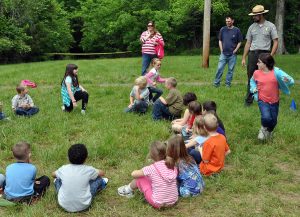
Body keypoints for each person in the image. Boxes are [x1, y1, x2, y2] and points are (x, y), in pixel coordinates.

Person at [117, 141, 178, 209]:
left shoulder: (151, 168)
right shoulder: (171, 165)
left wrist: (143, 169)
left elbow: (133, 174)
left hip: (159, 203)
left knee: (140, 178)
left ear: (151, 155)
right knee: (154, 178)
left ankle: (127, 190)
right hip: (173, 201)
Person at [250, 53, 294, 140]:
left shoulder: (276, 72)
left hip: (274, 101)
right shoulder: (256, 73)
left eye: (259, 62)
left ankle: (269, 131)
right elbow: (252, 81)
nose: (257, 64)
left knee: (273, 121)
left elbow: (291, 81)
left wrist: (287, 80)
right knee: (266, 117)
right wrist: (254, 88)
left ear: (265, 63)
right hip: (262, 100)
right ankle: (263, 129)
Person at [52, 144, 108, 213]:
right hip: (84, 205)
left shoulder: (64, 168)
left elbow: (53, 174)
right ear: (86, 158)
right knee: (99, 179)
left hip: (63, 204)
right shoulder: (88, 170)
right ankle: (103, 184)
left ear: (68, 157)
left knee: (58, 179)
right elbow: (102, 173)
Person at [242, 5, 278, 106]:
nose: (253, 17)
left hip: (265, 54)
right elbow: (248, 43)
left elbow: (275, 41)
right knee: (251, 78)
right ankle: (248, 101)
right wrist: (244, 57)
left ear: (261, 15)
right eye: (253, 15)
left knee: (266, 77)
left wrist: (271, 55)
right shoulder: (251, 27)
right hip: (253, 54)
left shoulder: (271, 26)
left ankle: (265, 99)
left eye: (255, 15)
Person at [214, 15, 243, 87]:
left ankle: (228, 84)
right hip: (223, 54)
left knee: (230, 70)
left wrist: (235, 50)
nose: (227, 23)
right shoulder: (222, 29)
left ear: (233, 21)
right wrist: (221, 50)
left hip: (232, 55)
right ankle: (216, 84)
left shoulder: (237, 30)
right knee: (219, 69)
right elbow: (220, 40)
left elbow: (240, 42)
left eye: (229, 21)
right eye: (226, 21)